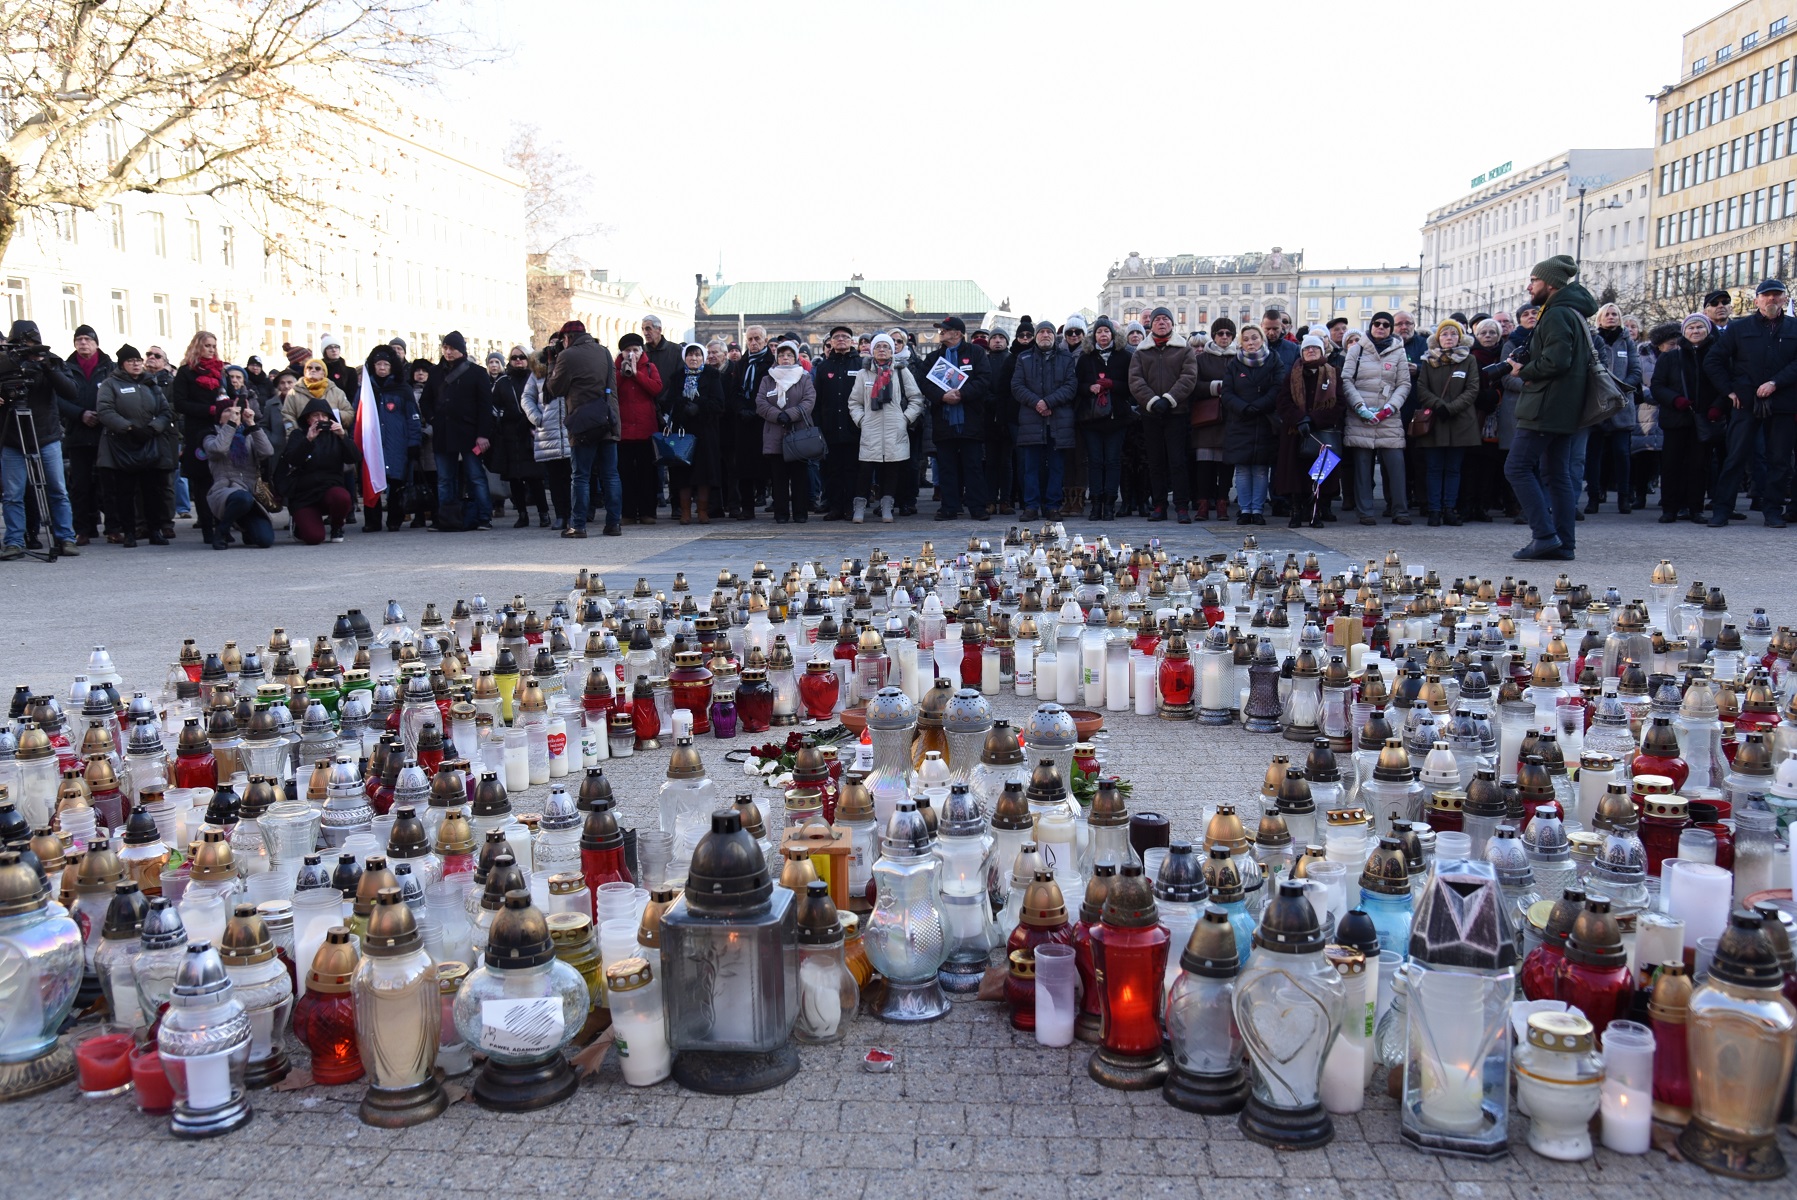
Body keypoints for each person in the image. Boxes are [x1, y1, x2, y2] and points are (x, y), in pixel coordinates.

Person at [1503, 255, 1597, 560]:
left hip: (1546, 406)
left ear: (1551, 283)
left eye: (1534, 280)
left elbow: (1557, 361)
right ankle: (1564, 544)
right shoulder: (1571, 311)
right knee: (1556, 475)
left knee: (1516, 467)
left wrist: (1523, 371)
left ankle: (1544, 535)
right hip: (1564, 407)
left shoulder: (1557, 314)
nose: (1530, 286)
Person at [1704, 279, 1797, 526]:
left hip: (1783, 403)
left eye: (1777, 296)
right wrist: (1729, 392)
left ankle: (1773, 511)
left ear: (1784, 300)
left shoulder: (1794, 328)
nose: (1772, 300)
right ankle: (1722, 510)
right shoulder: (1739, 328)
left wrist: (1776, 382)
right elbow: (1713, 361)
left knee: (1779, 460)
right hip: (1744, 403)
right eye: (1766, 296)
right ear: (1756, 300)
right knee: (1735, 456)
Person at [0, 320, 80, 559]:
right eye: (23, 344)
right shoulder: (5, 361)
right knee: (13, 494)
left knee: (57, 490)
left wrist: (46, 365)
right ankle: (14, 541)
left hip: (46, 436)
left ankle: (66, 538)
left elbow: (71, 392)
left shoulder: (52, 360)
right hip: (13, 437)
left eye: (33, 343)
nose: (28, 348)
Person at [546, 319, 620, 538]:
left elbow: (554, 388)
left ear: (567, 338)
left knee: (580, 476)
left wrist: (552, 362)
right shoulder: (605, 352)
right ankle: (614, 524)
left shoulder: (567, 356)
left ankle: (578, 525)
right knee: (611, 475)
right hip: (608, 420)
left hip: (584, 424)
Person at [94, 344, 172, 547]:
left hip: (149, 442)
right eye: (131, 361)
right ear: (122, 364)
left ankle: (155, 530)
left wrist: (154, 428)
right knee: (125, 492)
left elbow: (165, 411)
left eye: (138, 360)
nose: (136, 364)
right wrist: (129, 428)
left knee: (151, 491)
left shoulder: (150, 383)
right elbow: (105, 411)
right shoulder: (110, 384)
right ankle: (129, 532)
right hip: (122, 445)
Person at [1342, 312, 1413, 526]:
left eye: (1386, 324)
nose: (1381, 327)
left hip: (1388, 416)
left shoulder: (1399, 352)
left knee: (1396, 466)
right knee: (1362, 467)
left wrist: (1391, 407)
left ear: (1391, 329)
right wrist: (1360, 407)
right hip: (1361, 416)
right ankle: (1365, 512)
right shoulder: (1356, 350)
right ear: (1371, 326)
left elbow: (1404, 384)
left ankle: (1400, 511)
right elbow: (1346, 380)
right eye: (1377, 324)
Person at [1127, 307, 1197, 523]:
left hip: (1177, 412)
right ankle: (1159, 505)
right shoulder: (1141, 351)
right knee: (1155, 461)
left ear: (1172, 324)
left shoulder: (1184, 349)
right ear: (1151, 325)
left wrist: (1168, 399)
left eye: (1166, 319)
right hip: (1150, 414)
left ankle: (1182, 506)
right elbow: (1135, 380)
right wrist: (1152, 401)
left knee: (1178, 461)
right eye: (1157, 319)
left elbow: (1189, 377)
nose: (1161, 322)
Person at [848, 332, 925, 524]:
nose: (882, 350)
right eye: (878, 346)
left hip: (895, 427)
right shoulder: (863, 373)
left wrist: (905, 418)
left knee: (892, 469)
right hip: (871, 428)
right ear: (872, 350)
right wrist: (861, 420)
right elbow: (854, 402)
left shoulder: (901, 371)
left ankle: (887, 506)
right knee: (865, 469)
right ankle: (859, 506)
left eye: (886, 347)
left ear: (892, 351)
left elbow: (916, 398)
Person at [920, 316, 991, 522]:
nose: (940, 332)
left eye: (944, 329)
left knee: (973, 466)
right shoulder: (933, 358)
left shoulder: (976, 353)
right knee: (946, 467)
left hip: (970, 419)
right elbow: (924, 383)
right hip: (944, 420)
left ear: (958, 333)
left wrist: (962, 394)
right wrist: (942, 396)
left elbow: (984, 379)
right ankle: (950, 506)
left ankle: (977, 507)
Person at [1411, 319, 1482, 527]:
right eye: (1444, 334)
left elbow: (1472, 389)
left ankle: (1449, 509)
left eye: (1453, 334)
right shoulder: (1428, 360)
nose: (1449, 338)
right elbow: (1422, 388)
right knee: (1433, 468)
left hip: (1460, 422)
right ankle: (1434, 510)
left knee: (1453, 468)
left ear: (1460, 337)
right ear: (1437, 338)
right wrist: (1438, 405)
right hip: (1435, 421)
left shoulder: (1468, 360)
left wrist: (1450, 408)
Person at [1647, 315, 1717, 524]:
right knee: (1671, 464)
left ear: (1707, 330)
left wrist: (1717, 407)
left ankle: (1696, 508)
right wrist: (1675, 400)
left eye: (1700, 327)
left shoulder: (1715, 356)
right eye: (1691, 328)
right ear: (1684, 332)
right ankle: (1670, 508)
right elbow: (1657, 386)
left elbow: (1723, 384)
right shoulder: (1669, 358)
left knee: (1699, 465)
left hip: (1703, 419)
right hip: (1676, 418)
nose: (1695, 331)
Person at [428, 331, 496, 532]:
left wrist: (483, 434)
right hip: (443, 432)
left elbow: (485, 406)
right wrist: (433, 419)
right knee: (444, 479)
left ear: (462, 350)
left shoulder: (477, 372)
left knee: (476, 476)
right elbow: (426, 401)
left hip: (470, 433)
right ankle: (445, 517)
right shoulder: (435, 372)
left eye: (452, 348)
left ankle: (484, 517)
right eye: (445, 348)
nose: (448, 352)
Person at [1220, 324, 1286, 525]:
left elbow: (1278, 387)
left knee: (1259, 469)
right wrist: (1243, 408)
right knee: (1242, 469)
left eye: (1254, 338)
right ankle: (1245, 509)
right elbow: (1227, 392)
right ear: (1241, 343)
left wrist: (1259, 406)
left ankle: (1257, 510)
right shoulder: (1234, 364)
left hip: (1264, 420)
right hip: (1240, 421)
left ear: (1262, 339)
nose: (1251, 342)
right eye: (1246, 339)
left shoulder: (1274, 360)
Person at [1012, 319, 1076, 521]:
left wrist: (1048, 402)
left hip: (1058, 422)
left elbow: (1070, 386)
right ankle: (1031, 506)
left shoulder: (1066, 358)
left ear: (1054, 336)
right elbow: (1017, 386)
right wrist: (1037, 403)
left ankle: (1052, 506)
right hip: (1032, 420)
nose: (1045, 335)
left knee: (1056, 467)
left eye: (1049, 332)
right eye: (1041, 332)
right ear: (1036, 336)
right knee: (1031, 467)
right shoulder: (1024, 357)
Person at [1275, 334, 1342, 527]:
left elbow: (1339, 404)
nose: (1310, 351)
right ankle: (1296, 511)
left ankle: (1315, 512)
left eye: (1314, 348)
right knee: (1296, 475)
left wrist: (1313, 419)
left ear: (1322, 351)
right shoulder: (1292, 374)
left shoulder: (1333, 373)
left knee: (1319, 475)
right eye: (1306, 349)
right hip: (1296, 433)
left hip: (1322, 434)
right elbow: (1283, 401)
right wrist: (1299, 419)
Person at [171, 330, 230, 544]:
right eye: (207, 346)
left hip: (221, 429)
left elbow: (228, 395)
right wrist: (210, 409)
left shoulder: (220, 371)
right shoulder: (186, 372)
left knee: (222, 479)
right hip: (198, 430)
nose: (211, 349)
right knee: (204, 481)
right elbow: (180, 404)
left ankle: (223, 526)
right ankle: (207, 528)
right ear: (197, 346)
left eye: (214, 346)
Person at [1584, 303, 1643, 515]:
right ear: (1599, 319)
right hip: (1597, 405)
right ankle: (1593, 497)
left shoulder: (1627, 342)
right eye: (1607, 314)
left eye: (1614, 314)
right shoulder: (1591, 340)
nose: (1611, 317)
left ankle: (1624, 498)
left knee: (1621, 453)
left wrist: (1619, 388)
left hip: (1621, 404)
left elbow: (1636, 371)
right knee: (1594, 455)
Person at [275, 395, 358, 544]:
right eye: (315, 415)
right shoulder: (298, 435)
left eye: (324, 416)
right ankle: (301, 524)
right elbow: (292, 460)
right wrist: (308, 440)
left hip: (330, 489)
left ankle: (337, 526)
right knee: (314, 538)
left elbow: (355, 458)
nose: (320, 419)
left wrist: (343, 437)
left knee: (342, 497)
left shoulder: (335, 437)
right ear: (308, 419)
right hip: (304, 495)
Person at [1073, 317, 1134, 521]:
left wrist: (1112, 384)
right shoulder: (1085, 357)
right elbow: (1077, 385)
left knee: (1113, 461)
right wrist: (1089, 387)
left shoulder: (1124, 357)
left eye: (1106, 332)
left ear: (1113, 335)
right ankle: (1096, 503)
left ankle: (1109, 503)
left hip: (1117, 417)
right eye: (1099, 332)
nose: (1103, 335)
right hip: (1092, 418)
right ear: (1094, 336)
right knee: (1095, 461)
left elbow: (1130, 387)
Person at [56, 323, 111, 545]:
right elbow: (58, 399)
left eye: (88, 339)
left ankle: (113, 527)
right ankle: (83, 529)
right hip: (77, 434)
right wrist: (80, 414)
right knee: (80, 485)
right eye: (79, 339)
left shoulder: (109, 367)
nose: (83, 343)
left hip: (105, 434)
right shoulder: (65, 367)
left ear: (96, 343)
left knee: (108, 482)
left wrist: (102, 414)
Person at [360, 344, 423, 532]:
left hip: (397, 444)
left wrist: (414, 443)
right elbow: (358, 415)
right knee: (372, 483)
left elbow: (413, 418)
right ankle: (372, 521)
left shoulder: (403, 389)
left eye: (385, 365)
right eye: (378, 364)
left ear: (391, 367)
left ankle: (395, 519)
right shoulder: (365, 389)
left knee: (396, 483)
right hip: (373, 444)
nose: (381, 368)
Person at [755, 340, 816, 524]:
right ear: (777, 357)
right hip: (775, 432)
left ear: (795, 357)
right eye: (782, 355)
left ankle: (800, 512)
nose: (785, 358)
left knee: (799, 476)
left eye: (789, 355)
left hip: (798, 432)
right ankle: (781, 513)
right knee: (778, 477)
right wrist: (777, 415)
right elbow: (760, 402)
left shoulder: (804, 377)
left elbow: (809, 400)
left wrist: (790, 414)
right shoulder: (768, 379)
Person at [202, 396, 274, 550]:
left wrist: (252, 424)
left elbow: (267, 451)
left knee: (265, 540)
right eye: (227, 411)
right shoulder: (210, 436)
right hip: (225, 490)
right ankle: (222, 530)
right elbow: (219, 449)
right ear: (220, 419)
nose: (234, 413)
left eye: (236, 411)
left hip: (250, 493)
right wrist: (231, 425)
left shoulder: (249, 435)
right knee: (242, 498)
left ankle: (244, 527)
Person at [1462, 318, 1514, 522]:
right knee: (1471, 463)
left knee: (1490, 465)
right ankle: (1467, 505)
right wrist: (1483, 397)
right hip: (1475, 414)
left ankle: (1483, 506)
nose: (1488, 336)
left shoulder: (1505, 356)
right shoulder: (1472, 356)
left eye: (1493, 332)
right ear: (1477, 336)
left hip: (1499, 414)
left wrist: (1497, 396)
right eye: (1484, 333)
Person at [665, 343, 724, 525]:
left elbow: (719, 403)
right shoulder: (676, 377)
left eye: (697, 355)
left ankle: (702, 510)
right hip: (682, 431)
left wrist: (699, 407)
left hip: (705, 430)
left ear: (703, 357)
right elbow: (669, 402)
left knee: (704, 472)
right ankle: (685, 511)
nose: (694, 358)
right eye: (690, 355)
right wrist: (683, 407)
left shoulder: (712, 375)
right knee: (683, 472)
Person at [491, 345, 548, 529]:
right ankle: (522, 514)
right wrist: (506, 416)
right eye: (514, 357)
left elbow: (544, 402)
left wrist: (530, 418)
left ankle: (543, 513)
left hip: (532, 432)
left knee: (535, 476)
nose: (518, 361)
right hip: (510, 434)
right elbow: (493, 407)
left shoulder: (537, 378)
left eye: (522, 357)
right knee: (514, 478)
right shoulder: (502, 382)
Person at [610, 332, 663, 524]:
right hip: (623, 431)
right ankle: (628, 513)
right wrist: (624, 373)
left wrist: (637, 374)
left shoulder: (650, 367)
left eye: (635, 350)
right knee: (625, 474)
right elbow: (610, 390)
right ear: (621, 352)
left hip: (645, 429)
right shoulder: (613, 369)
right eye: (627, 350)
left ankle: (648, 512)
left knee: (647, 474)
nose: (631, 354)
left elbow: (656, 388)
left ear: (642, 351)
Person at [812, 325, 862, 520]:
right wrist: (817, 426)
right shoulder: (823, 367)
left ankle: (850, 507)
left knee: (852, 469)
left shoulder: (860, 364)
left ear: (851, 341)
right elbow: (818, 400)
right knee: (832, 470)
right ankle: (835, 506)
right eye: (836, 337)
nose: (841, 339)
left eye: (845, 336)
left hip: (854, 427)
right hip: (830, 427)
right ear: (830, 342)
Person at [1190, 318, 1236, 521]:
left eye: (1228, 333)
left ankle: (1222, 502)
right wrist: (1217, 387)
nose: (1224, 337)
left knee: (1226, 465)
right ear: (1214, 335)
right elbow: (1193, 385)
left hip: (1230, 418)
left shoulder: (1240, 358)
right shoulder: (1201, 359)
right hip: (1206, 419)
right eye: (1220, 333)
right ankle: (1202, 503)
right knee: (1204, 466)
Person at [726, 326, 774, 520]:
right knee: (744, 466)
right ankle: (747, 507)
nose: (753, 343)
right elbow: (734, 390)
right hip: (744, 421)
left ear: (765, 340)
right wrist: (741, 409)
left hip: (765, 420)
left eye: (757, 339)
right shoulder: (741, 363)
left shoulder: (772, 362)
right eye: (750, 340)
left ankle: (777, 505)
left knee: (770, 464)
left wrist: (757, 410)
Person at [983, 324, 1016, 515]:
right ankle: (990, 500)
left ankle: (1006, 500)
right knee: (991, 462)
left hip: (1008, 416)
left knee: (1006, 462)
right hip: (988, 417)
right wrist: (990, 400)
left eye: (1001, 338)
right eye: (994, 338)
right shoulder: (984, 361)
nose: (997, 341)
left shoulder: (1013, 360)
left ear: (1006, 341)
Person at [407, 360, 438, 529]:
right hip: (414, 439)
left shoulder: (435, 391)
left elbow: (439, 414)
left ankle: (435, 513)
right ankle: (418, 515)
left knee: (434, 480)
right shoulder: (408, 392)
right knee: (417, 481)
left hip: (432, 441)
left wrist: (427, 432)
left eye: (424, 371)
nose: (420, 374)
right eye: (417, 370)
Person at [281, 358, 352, 430]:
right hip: (305, 438)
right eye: (309, 368)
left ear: (324, 373)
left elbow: (349, 414)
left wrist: (334, 415)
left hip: (332, 436)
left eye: (317, 368)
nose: (313, 370)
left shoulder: (337, 392)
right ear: (305, 371)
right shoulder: (294, 393)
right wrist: (295, 436)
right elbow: (288, 416)